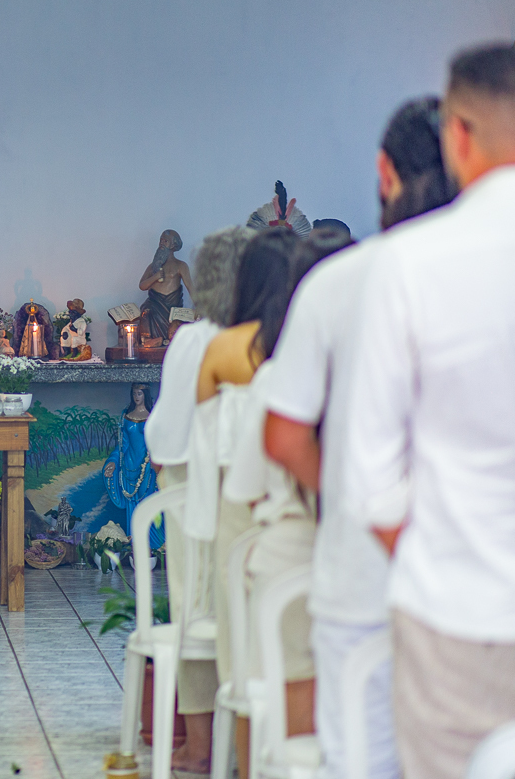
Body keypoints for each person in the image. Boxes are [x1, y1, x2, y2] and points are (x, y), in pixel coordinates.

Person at [264, 96, 452, 779]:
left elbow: (283, 438)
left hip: (364, 572)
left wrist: (350, 493)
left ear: (384, 174)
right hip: (476, 581)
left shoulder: (338, 282)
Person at [342, 44, 515, 779]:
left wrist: (440, 555)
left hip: (454, 611)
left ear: (458, 136)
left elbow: (370, 477)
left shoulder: (408, 263)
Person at [189, 228, 304, 779]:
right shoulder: (303, 346)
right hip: (296, 497)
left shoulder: (224, 348)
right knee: (298, 642)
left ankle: (243, 765)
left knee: (242, 646)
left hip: (234, 496)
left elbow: (200, 431)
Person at [144, 225, 251, 773]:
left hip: (191, 495)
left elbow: (163, 435)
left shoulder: (193, 341)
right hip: (254, 499)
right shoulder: (266, 341)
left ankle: (201, 745)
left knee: (195, 611)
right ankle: (248, 738)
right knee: (244, 613)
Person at [104, 384, 159, 546]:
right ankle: (135, 545)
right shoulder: (126, 417)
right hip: (128, 466)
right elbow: (122, 446)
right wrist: (113, 462)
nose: (137, 397)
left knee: (147, 503)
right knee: (132, 506)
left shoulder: (153, 416)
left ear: (145, 395)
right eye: (134, 393)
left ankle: (153, 546)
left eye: (140, 393)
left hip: (147, 467)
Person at [138, 229, 194, 344]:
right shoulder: (152, 267)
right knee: (146, 311)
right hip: (155, 303)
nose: (162, 243)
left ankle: (170, 341)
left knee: (176, 324)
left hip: (173, 306)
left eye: (166, 241)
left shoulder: (181, 265)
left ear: (174, 245)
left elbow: (190, 287)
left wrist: (200, 306)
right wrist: (155, 277)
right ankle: (147, 340)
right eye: (161, 240)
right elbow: (142, 286)